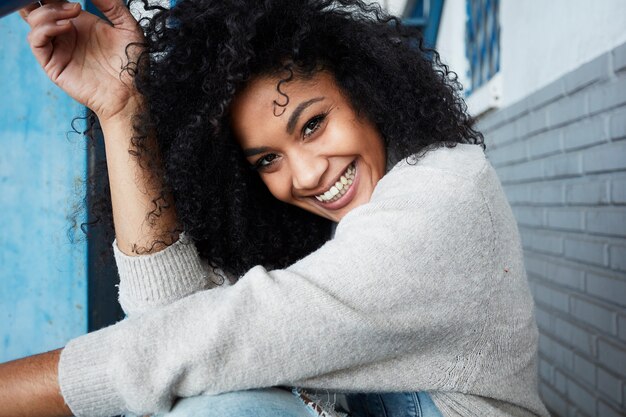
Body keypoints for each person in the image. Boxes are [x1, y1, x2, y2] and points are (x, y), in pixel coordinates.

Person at [0, 0, 550, 416]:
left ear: (367, 93)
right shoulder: (329, 234)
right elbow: (171, 322)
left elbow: (185, 345)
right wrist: (122, 110)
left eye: (313, 124)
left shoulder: (445, 198)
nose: (307, 175)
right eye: (267, 160)